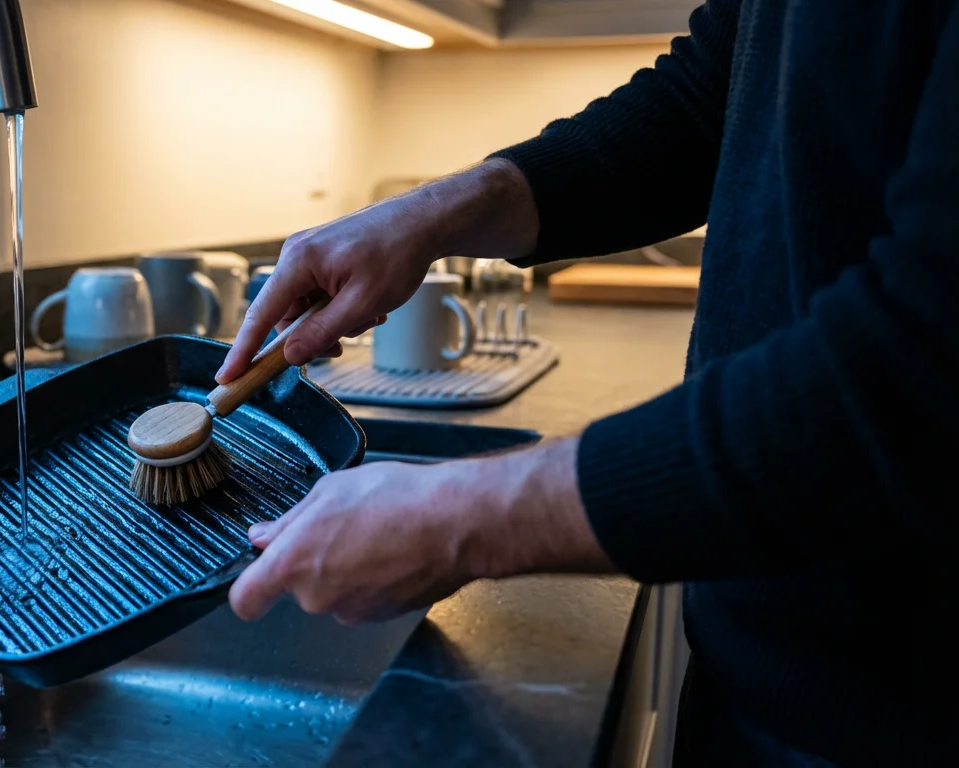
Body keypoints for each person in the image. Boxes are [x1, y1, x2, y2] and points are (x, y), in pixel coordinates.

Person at [214, 0, 959, 764]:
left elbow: (921, 372)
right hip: (772, 637)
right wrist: (432, 213)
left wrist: (459, 515)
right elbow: (711, 92)